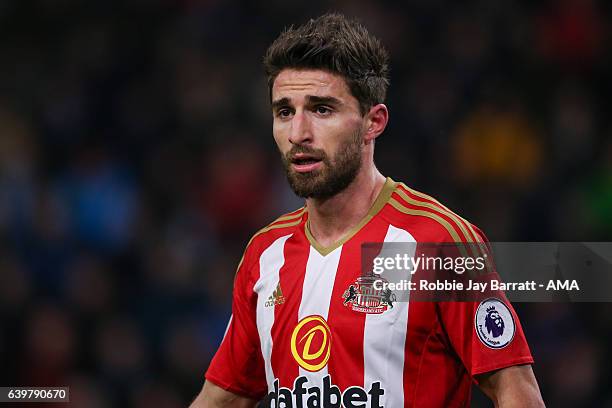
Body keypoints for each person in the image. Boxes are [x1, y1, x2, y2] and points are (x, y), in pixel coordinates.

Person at [191, 13, 544, 407]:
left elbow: (516, 390)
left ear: (373, 122)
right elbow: (224, 398)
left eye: (322, 109)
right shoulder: (265, 254)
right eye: (285, 111)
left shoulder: (436, 243)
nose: (298, 134)